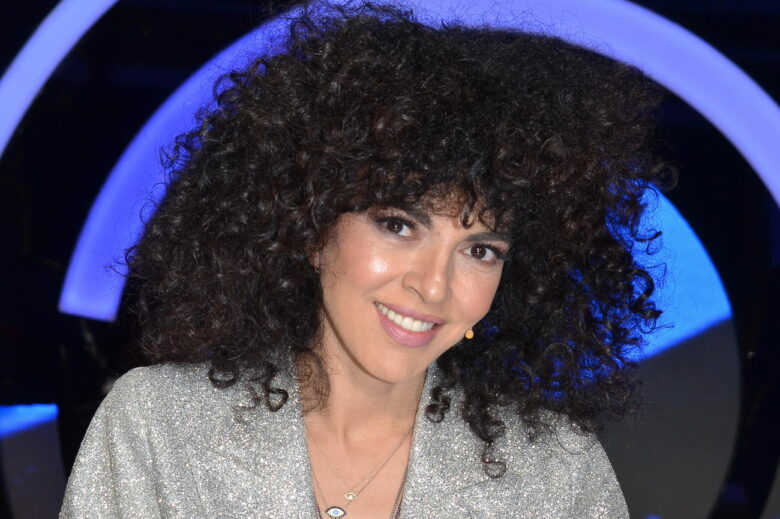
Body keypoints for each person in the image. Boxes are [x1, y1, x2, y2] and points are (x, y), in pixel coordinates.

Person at [60, 2, 673, 517]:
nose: (433, 286)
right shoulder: (159, 427)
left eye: (480, 250)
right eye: (399, 225)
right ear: (310, 225)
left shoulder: (556, 474)